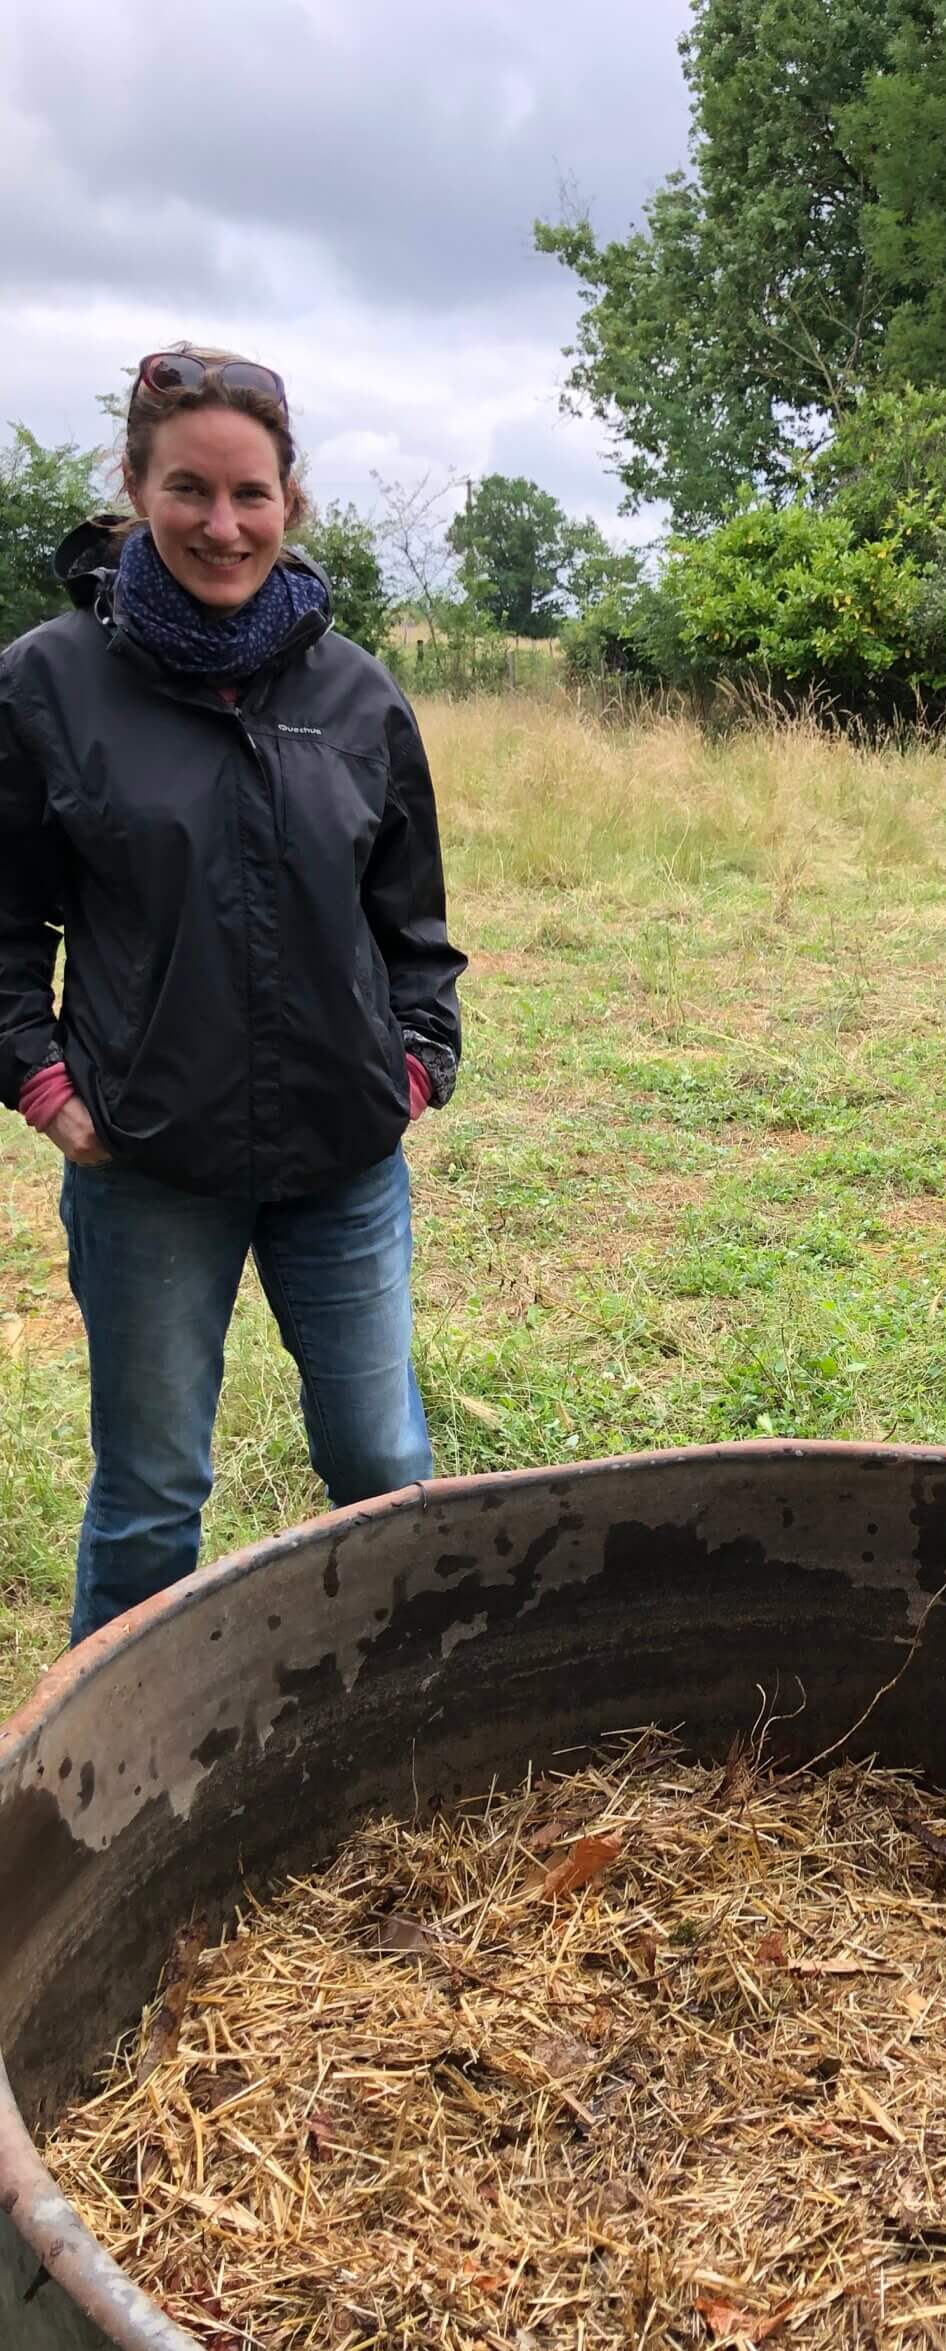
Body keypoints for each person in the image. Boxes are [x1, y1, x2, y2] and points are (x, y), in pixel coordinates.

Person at [0, 346, 465, 1647]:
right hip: (149, 1163)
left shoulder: (355, 692)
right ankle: (112, 1761)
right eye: (189, 490)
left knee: (384, 1463)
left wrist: (414, 1061)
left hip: (343, 1157)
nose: (223, 525)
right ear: (135, 487)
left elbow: (413, 925)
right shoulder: (45, 686)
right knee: (152, 1500)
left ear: (289, 500)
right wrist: (43, 1082)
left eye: (251, 493)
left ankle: (423, 1707)